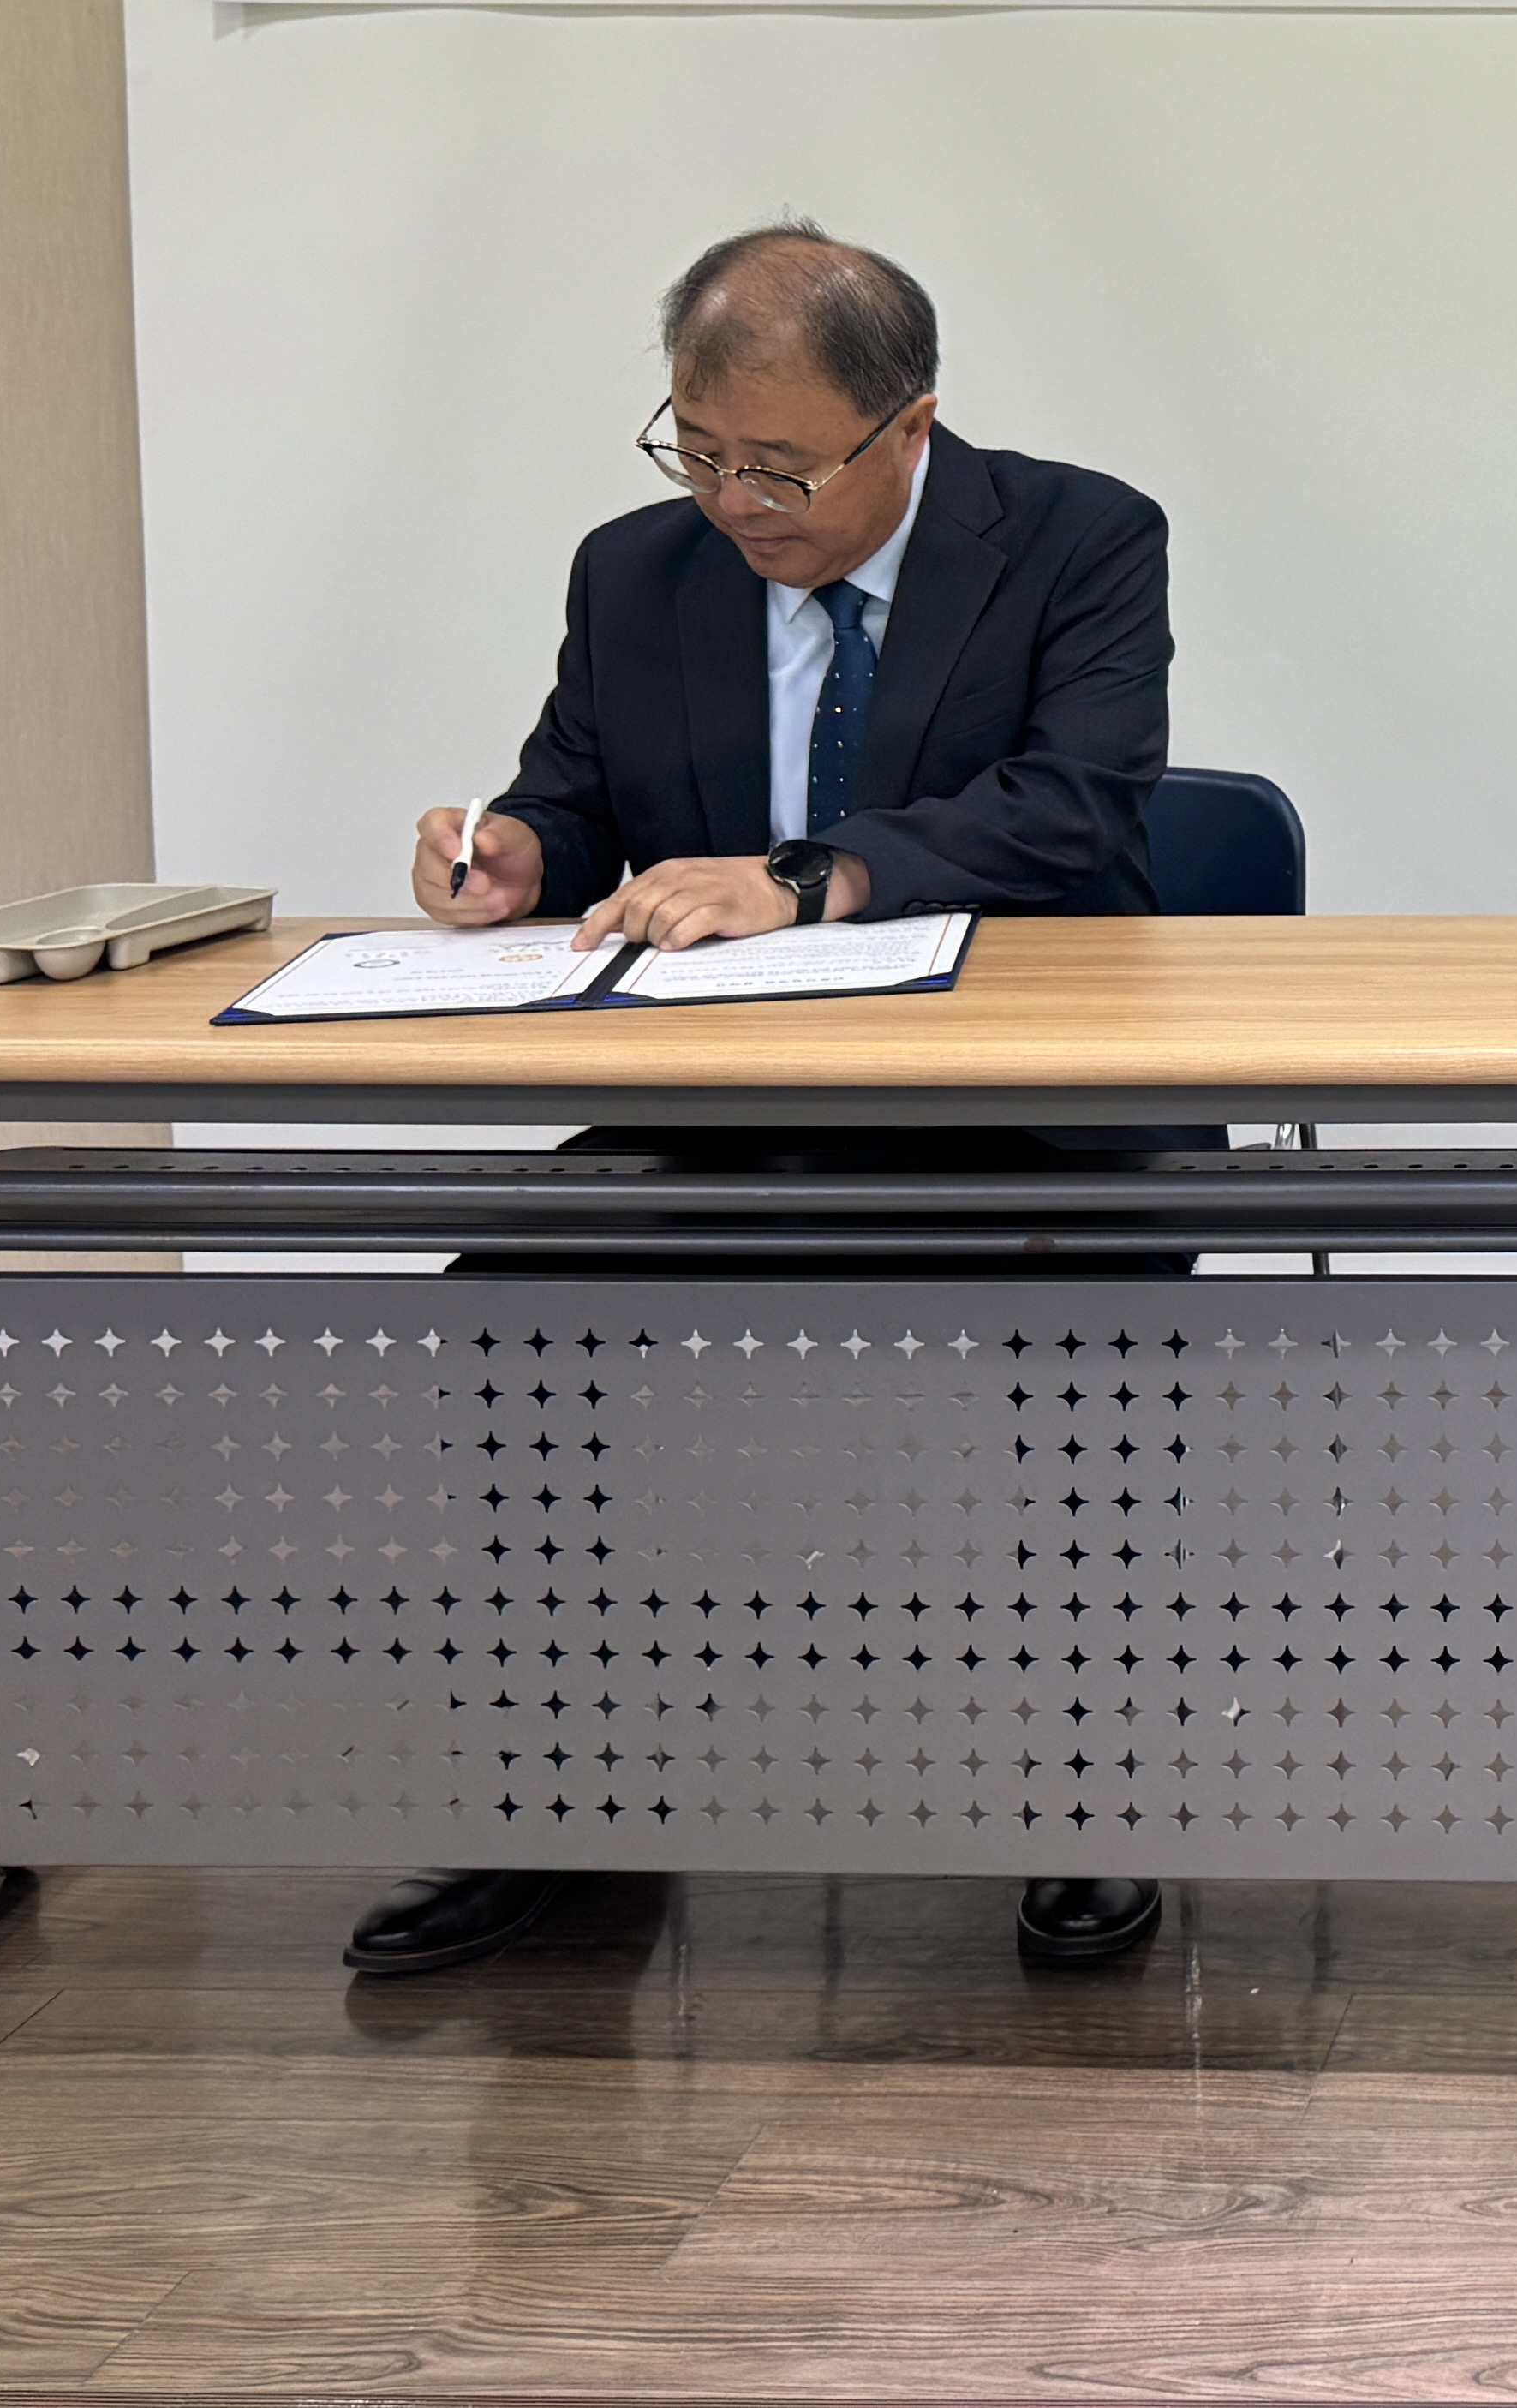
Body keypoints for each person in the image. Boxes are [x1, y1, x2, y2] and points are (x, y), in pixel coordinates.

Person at [347, 220, 1178, 1983]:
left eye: (780, 466)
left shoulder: (1079, 538)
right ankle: (567, 1799)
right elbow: (581, 794)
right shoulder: (633, 572)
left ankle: (1087, 1783)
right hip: (737, 1109)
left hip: (1028, 1112)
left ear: (909, 424)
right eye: (700, 451)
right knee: (513, 1310)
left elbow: (1078, 806)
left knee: (1082, 1341)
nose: (734, 501)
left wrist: (814, 878)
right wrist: (514, 852)